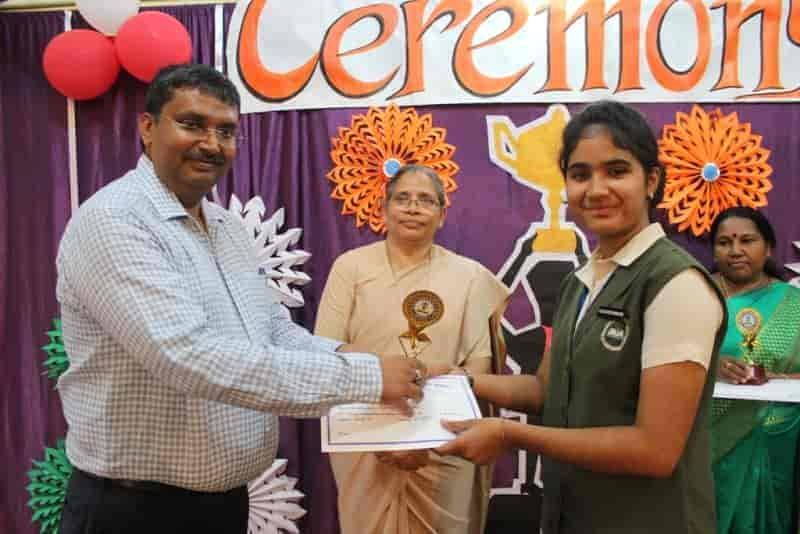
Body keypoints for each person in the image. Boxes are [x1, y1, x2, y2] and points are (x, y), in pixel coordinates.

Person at [55, 64, 424, 534]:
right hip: (133, 510)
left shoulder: (226, 226)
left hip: (224, 505)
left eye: (226, 131)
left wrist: (347, 356)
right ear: (147, 128)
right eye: (192, 123)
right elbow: (187, 356)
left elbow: (269, 328)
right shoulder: (115, 220)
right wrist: (366, 378)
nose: (211, 144)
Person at [436, 100, 727, 534]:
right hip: (574, 515)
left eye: (616, 171)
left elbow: (655, 449)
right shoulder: (581, 282)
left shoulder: (675, 284)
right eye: (580, 174)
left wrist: (510, 435)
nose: (596, 189)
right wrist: (458, 380)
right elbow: (545, 389)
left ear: (651, 180)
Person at [314, 164, 509, 534]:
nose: (413, 208)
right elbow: (325, 349)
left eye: (426, 200)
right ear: (384, 208)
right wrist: (386, 414)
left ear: (442, 214)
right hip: (366, 436)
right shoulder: (350, 268)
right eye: (402, 198)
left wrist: (425, 434)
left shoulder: (469, 276)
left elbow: (479, 367)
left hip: (443, 440)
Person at [710, 206, 800, 534]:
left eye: (747, 240)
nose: (735, 250)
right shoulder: (696, 296)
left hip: (776, 436)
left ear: (769, 248)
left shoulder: (793, 303)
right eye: (724, 243)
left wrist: (776, 378)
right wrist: (710, 364)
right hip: (709, 437)